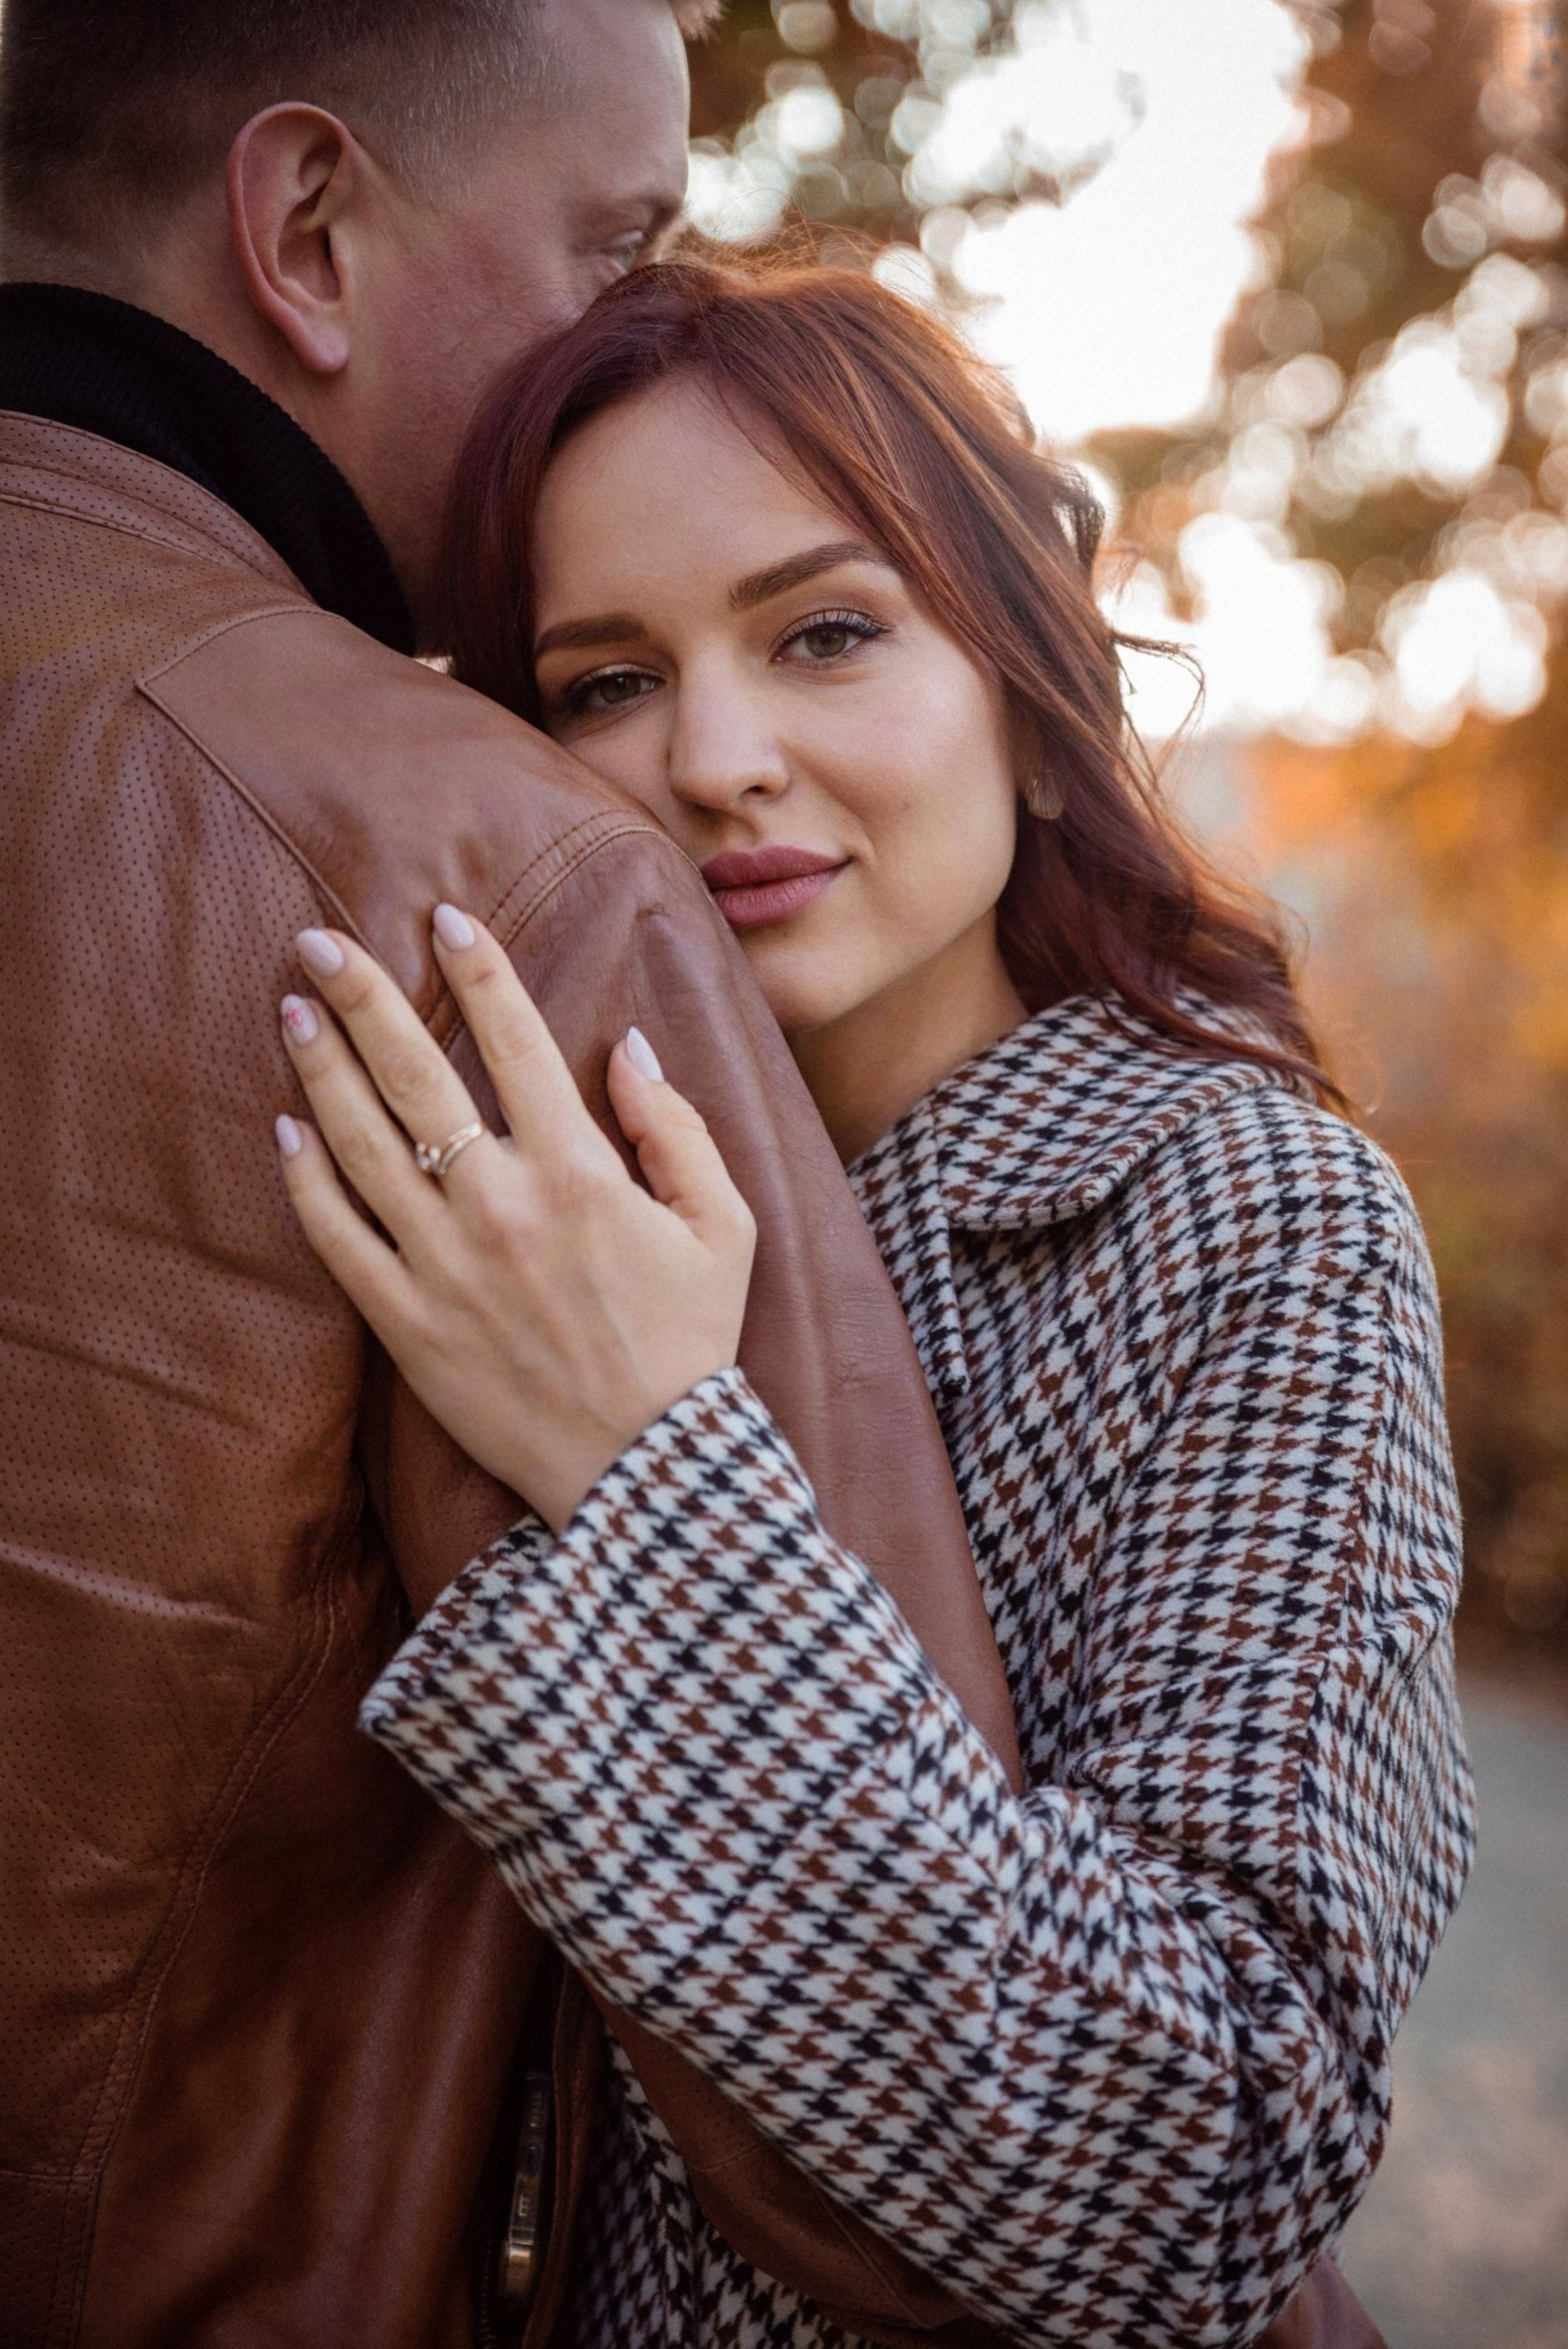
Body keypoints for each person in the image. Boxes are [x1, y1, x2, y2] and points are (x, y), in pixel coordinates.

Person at [274, 262, 1476, 2349]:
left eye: (827, 632)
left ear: (1023, 679)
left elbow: (1199, 2174)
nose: (719, 758)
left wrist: (657, 1480)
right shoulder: (494, 1206)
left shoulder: (1246, 1222)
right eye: (600, 682)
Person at [0, 12, 1023, 2343]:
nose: (639, 328)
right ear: (309, 232)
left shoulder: (1245, 1215)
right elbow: (937, 2160)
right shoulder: (477, 876)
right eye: (616, 241)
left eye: (828, 632)